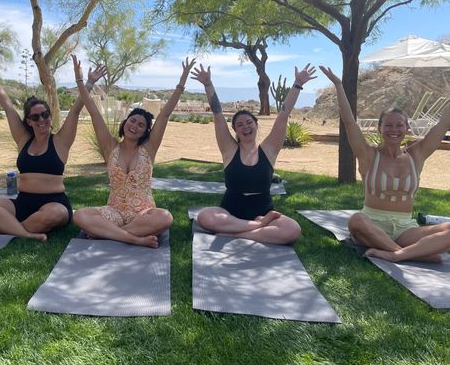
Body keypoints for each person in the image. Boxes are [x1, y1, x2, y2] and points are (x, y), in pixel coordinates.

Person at [321, 66, 450, 262]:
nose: (394, 130)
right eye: (388, 125)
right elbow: (349, 122)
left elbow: (442, 124)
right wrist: (339, 85)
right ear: (379, 128)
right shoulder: (369, 155)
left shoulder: (417, 154)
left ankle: (398, 254)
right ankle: (415, 253)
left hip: (406, 228)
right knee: (356, 220)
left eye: (399, 125)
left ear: (407, 128)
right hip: (372, 224)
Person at [71, 54, 195, 248]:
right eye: (132, 120)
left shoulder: (149, 148)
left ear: (146, 131)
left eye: (141, 125)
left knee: (165, 217)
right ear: (125, 122)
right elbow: (94, 111)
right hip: (114, 213)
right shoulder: (110, 147)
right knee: (80, 215)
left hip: (143, 215)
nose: (135, 126)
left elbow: (165, 114)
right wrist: (83, 81)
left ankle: (106, 234)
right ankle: (133, 238)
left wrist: (182, 81)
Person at [0, 59, 104, 242]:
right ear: (29, 121)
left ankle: (4, 229)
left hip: (53, 202)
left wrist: (88, 82)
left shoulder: (60, 141)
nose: (42, 120)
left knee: (54, 214)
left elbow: (75, 111)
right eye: (35, 117)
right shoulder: (23, 140)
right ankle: (26, 233)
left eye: (45, 114)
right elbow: (7, 106)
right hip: (23, 202)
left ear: (50, 116)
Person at [191, 63, 316, 244]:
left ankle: (239, 233)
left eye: (249, 122)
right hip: (230, 212)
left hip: (263, 211)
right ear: (235, 130)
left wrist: (297, 85)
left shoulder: (269, 149)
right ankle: (257, 227)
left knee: (293, 229)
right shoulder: (229, 150)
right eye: (239, 124)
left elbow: (283, 114)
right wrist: (208, 84)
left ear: (256, 125)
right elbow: (218, 115)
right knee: (205, 217)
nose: (245, 127)